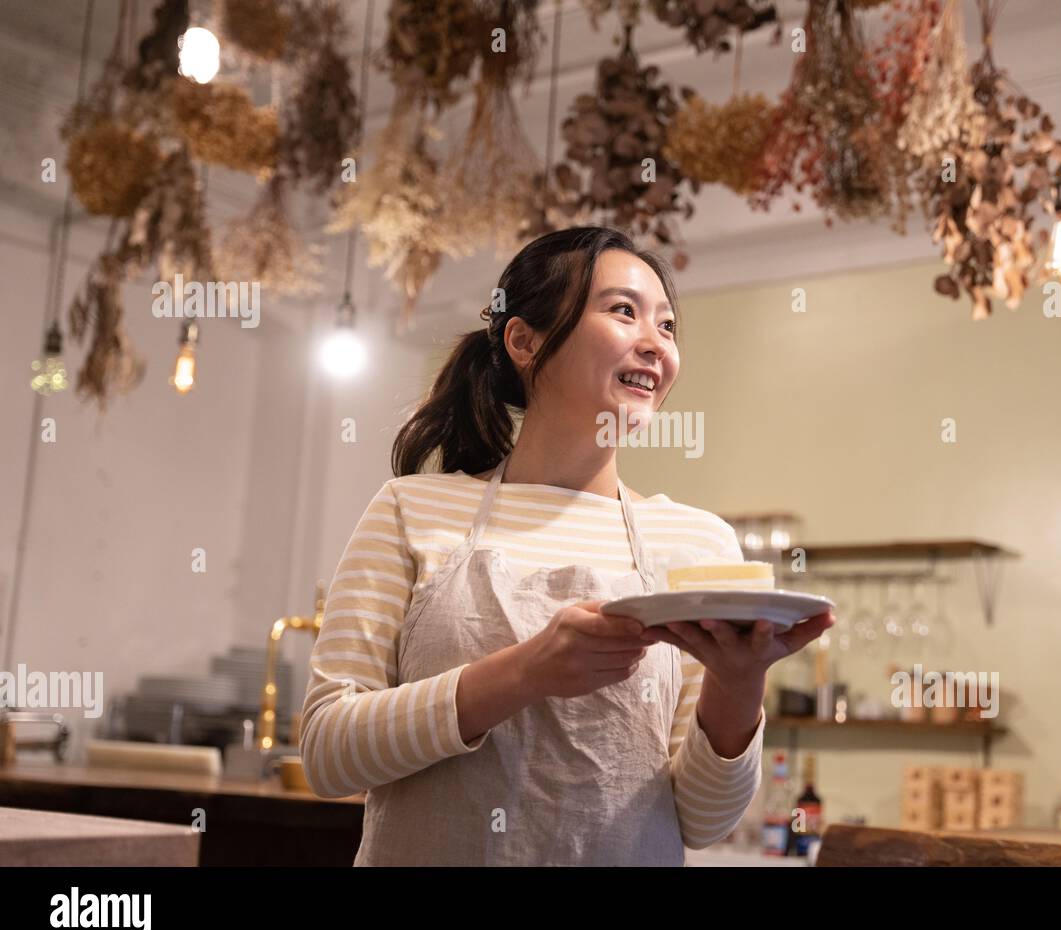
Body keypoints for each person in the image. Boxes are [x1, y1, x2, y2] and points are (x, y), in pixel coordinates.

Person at [300, 225, 834, 865]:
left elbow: (702, 819)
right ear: (524, 340)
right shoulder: (412, 509)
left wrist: (740, 685)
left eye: (667, 326)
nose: (656, 345)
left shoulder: (697, 542)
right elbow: (328, 755)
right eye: (624, 311)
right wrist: (524, 673)